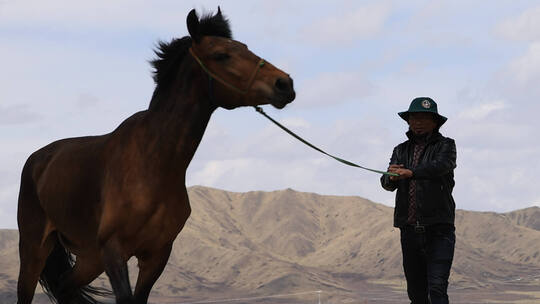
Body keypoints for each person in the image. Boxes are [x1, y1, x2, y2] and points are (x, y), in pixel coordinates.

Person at [380, 97, 457, 304]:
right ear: (408, 121)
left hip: (439, 229)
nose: (419, 122)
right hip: (409, 231)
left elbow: (440, 166)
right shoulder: (400, 150)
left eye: (424, 118)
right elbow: (387, 184)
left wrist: (410, 172)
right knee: (416, 292)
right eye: (414, 117)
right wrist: (390, 176)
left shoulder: (446, 146)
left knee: (437, 288)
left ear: (435, 122)